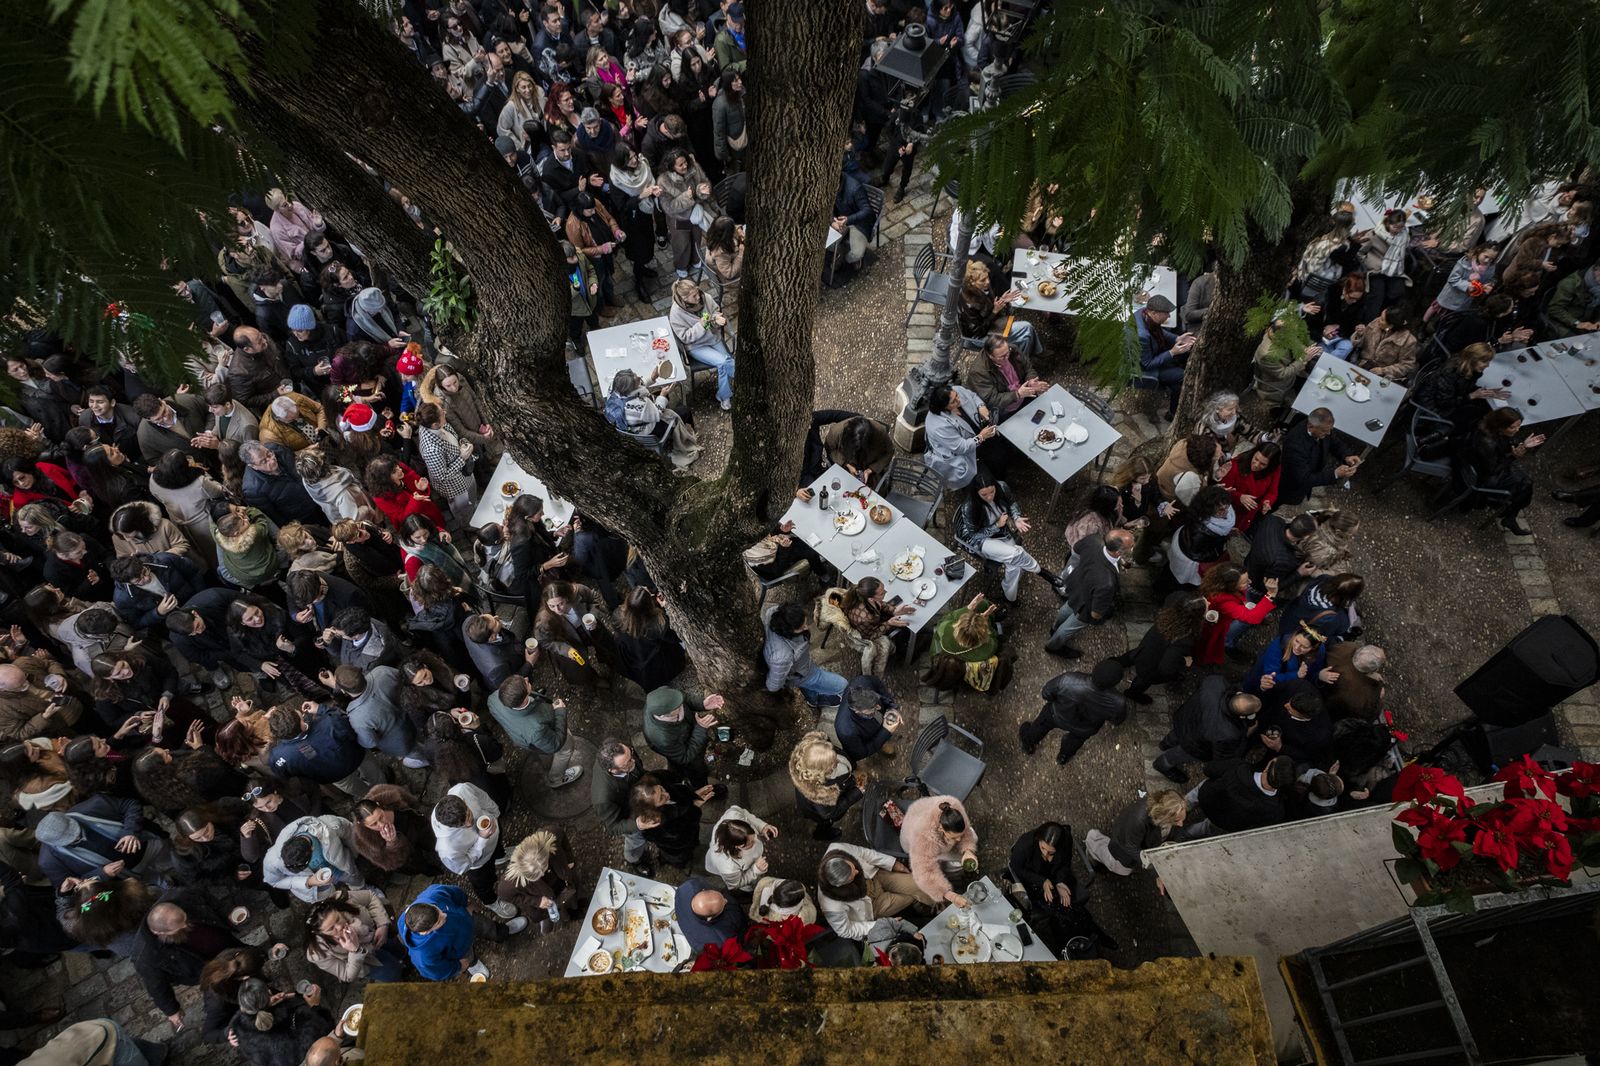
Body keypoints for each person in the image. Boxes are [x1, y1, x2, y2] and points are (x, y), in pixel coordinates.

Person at [1007, 822, 1115, 957]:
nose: (1045, 854)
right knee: (1059, 909)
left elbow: (1065, 865)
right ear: (1039, 839)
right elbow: (1016, 868)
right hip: (1033, 881)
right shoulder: (1025, 845)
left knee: (1067, 904)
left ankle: (1083, 935)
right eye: (1043, 848)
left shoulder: (1066, 840)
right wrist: (1042, 881)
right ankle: (1088, 933)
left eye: (1051, 852)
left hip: (1055, 876)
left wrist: (1060, 882)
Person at [953, 470, 1060, 603]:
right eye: (984, 494)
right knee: (1016, 553)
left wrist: (1016, 517)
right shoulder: (969, 506)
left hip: (1001, 533)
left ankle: (1010, 598)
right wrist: (996, 525)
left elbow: (1012, 502)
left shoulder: (1002, 486)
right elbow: (974, 535)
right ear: (976, 493)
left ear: (995, 486)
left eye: (992, 492)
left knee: (1015, 565)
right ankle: (1040, 571)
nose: (989, 497)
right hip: (981, 540)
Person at [398, 883, 525, 981]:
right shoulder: (422, 954)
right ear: (425, 932)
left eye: (437, 909)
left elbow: (453, 892)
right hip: (459, 949)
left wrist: (465, 904)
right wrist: (458, 966)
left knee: (488, 927)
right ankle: (472, 963)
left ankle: (503, 932)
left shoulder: (432, 894)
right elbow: (434, 970)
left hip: (468, 920)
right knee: (467, 957)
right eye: (439, 921)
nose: (444, 915)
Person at [815, 845, 934, 949]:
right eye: (852, 876)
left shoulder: (838, 848)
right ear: (842, 885)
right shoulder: (830, 905)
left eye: (853, 867)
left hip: (876, 877)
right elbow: (845, 930)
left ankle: (933, 907)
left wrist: (894, 864)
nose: (857, 872)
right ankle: (927, 911)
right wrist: (878, 925)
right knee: (913, 896)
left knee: (919, 886)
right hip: (873, 906)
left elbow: (865, 853)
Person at [1152, 675, 1261, 784]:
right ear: (1242, 716)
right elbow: (1223, 756)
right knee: (1177, 755)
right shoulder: (1229, 732)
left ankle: (1164, 744)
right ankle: (1161, 765)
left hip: (1186, 719)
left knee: (1176, 734)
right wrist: (1246, 733)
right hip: (1194, 745)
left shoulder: (1216, 682)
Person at [1019, 659, 1127, 766]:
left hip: (1056, 714)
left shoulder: (1068, 680)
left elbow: (1046, 693)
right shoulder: (1118, 703)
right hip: (1085, 728)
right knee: (1074, 742)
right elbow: (1117, 721)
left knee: (1041, 725)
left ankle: (1028, 743)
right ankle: (1063, 757)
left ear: (1095, 669)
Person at [1044, 530, 1134, 658]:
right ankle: (1053, 646)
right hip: (1086, 604)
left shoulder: (1094, 540)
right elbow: (1095, 614)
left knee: (1067, 608)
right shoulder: (1107, 583)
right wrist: (1101, 616)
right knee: (1070, 627)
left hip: (1076, 586)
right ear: (1118, 552)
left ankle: (1054, 629)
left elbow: (1076, 551)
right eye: (1131, 546)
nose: (1133, 547)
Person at [487, 675, 584, 790]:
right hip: (543, 735)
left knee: (542, 748)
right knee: (565, 750)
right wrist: (560, 712)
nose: (526, 678)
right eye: (525, 683)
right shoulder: (536, 730)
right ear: (524, 700)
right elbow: (556, 744)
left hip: (525, 738)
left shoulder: (493, 698)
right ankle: (556, 779)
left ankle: (547, 761)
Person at [1457, 406, 1543, 535]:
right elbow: (1493, 469)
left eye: (1518, 426)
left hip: (1482, 468)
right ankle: (1508, 515)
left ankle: (1510, 516)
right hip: (1479, 476)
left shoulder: (1492, 430)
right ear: (1500, 426)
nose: (1517, 430)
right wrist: (1513, 457)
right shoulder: (1487, 442)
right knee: (1524, 485)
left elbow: (1504, 446)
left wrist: (1523, 445)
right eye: (1512, 427)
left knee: (1526, 483)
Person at [303, 888, 407, 983]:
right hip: (368, 962)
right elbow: (346, 975)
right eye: (331, 929)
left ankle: (405, 959)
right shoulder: (317, 953)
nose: (339, 927)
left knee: (399, 949)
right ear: (319, 933)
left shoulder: (343, 899)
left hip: (377, 934)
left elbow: (370, 897)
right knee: (392, 972)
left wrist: (382, 925)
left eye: (338, 919)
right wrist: (355, 951)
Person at [1119, 591, 1205, 704]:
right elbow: (1166, 667)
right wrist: (1184, 661)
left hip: (1152, 639)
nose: (1208, 602)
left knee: (1138, 652)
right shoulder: (1185, 640)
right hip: (1152, 662)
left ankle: (1119, 661)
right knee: (1144, 677)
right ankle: (1133, 693)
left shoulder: (1176, 599)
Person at [1184, 755, 1296, 838]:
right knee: (1205, 828)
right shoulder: (1275, 810)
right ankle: (1186, 834)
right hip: (1222, 822)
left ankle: (1180, 811)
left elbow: (1209, 769)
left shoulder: (1239, 767)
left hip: (1207, 796)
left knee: (1189, 800)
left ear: (1267, 767)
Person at [495, 828, 582, 934]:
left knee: (570, 900)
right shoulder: (510, 883)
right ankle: (549, 919)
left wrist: (569, 859)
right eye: (536, 876)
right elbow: (505, 895)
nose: (542, 874)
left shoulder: (551, 835)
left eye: (544, 867)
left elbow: (562, 837)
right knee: (547, 913)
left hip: (563, 884)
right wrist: (535, 901)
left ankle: (571, 910)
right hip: (542, 900)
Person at [261, 814, 364, 902]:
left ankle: (361, 889)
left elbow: (349, 834)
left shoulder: (330, 825)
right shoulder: (271, 861)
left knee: (353, 879)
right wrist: (309, 882)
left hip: (340, 867)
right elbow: (273, 881)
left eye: (304, 865)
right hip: (317, 888)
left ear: (312, 848)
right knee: (331, 900)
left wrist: (354, 855)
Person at [1084, 790, 1188, 877]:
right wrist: (1152, 864)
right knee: (1120, 867)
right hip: (1122, 846)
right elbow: (1130, 846)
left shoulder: (1163, 811)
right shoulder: (1138, 820)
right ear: (1164, 816)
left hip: (1135, 839)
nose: (1181, 824)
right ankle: (1092, 842)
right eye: (1176, 820)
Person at [762, 603, 848, 706]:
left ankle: (813, 700)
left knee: (808, 686)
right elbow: (773, 686)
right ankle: (815, 700)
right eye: (801, 627)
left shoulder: (773, 613)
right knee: (843, 685)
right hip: (801, 674)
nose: (806, 627)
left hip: (799, 668)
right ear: (788, 630)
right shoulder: (782, 658)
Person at [923, 594, 1012, 694]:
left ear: (957, 626)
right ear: (982, 637)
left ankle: (992, 616)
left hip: (947, 658)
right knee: (984, 605)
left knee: (982, 604)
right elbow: (994, 639)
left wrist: (967, 609)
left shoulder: (946, 629)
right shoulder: (987, 649)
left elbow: (948, 618)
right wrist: (986, 623)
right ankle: (994, 616)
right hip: (967, 665)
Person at [900, 795, 978, 907]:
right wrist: (948, 895)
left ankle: (956, 871)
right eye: (954, 837)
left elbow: (966, 831)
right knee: (955, 862)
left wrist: (968, 850)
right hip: (912, 840)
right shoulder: (923, 838)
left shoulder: (953, 807)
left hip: (919, 814)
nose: (959, 840)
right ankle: (955, 879)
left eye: (959, 836)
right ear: (941, 828)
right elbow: (924, 873)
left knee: (973, 837)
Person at [667, 284, 737, 411]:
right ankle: (741, 378)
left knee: (724, 364)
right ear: (684, 299)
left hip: (713, 337)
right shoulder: (676, 313)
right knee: (724, 361)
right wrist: (701, 326)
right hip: (696, 346)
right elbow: (685, 337)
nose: (698, 297)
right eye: (694, 296)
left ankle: (723, 395)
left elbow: (715, 311)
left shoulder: (705, 297)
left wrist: (716, 318)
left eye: (698, 293)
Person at [1195, 564, 1279, 667]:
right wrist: (1271, 594)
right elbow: (1252, 617)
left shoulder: (1217, 583)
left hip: (1223, 617)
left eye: (1248, 579)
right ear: (1231, 585)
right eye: (1244, 582)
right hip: (1220, 625)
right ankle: (1226, 650)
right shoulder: (1224, 601)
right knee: (1222, 640)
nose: (1249, 582)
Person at [641, 685, 725, 788]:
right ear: (666, 715)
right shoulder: (662, 738)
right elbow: (685, 757)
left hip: (683, 735)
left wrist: (702, 704)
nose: (682, 705)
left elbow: (684, 698)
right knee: (695, 770)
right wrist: (700, 729)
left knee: (677, 760)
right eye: (678, 706)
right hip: (681, 750)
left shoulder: (665, 693)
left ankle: (677, 768)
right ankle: (701, 787)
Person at [922, 382, 1000, 490]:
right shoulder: (939, 426)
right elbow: (961, 447)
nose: (959, 400)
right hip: (963, 453)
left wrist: (981, 406)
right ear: (943, 407)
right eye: (953, 402)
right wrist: (981, 437)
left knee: (1000, 452)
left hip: (978, 434)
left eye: (957, 396)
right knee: (990, 467)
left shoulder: (955, 391)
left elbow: (972, 396)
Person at [788, 731, 863, 841]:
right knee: (825, 822)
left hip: (835, 790)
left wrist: (853, 768)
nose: (838, 760)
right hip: (817, 812)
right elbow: (829, 813)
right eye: (833, 763)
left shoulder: (819, 750)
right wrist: (856, 793)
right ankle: (821, 833)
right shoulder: (819, 794)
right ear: (822, 772)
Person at [1277, 408, 1361, 507]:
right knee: (1272, 504)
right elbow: (1304, 478)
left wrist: (1346, 456)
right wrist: (1335, 474)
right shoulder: (1295, 446)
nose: (1328, 433)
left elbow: (1333, 442)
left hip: (1304, 483)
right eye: (1325, 431)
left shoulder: (1323, 428)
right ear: (1311, 426)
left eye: (1330, 430)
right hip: (1288, 487)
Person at [591, 739, 651, 876]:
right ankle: (634, 859)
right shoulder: (603, 798)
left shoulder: (615, 745)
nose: (633, 761)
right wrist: (637, 825)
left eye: (631, 754)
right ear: (612, 770)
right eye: (627, 763)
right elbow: (613, 827)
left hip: (635, 794)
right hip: (629, 815)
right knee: (636, 840)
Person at [1130, 295, 1195, 418]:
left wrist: (1177, 338)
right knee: (1183, 375)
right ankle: (1174, 412)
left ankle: (1172, 413)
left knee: (1177, 384)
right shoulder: (1142, 335)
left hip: (1153, 354)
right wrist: (1172, 352)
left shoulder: (1144, 313)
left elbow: (1159, 331)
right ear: (1154, 313)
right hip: (1144, 370)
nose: (1169, 316)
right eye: (1166, 313)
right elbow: (1147, 364)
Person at [964, 334, 1048, 422]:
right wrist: (1017, 394)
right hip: (1006, 411)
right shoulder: (979, 372)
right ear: (990, 356)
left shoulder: (1012, 349)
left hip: (1026, 395)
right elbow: (992, 400)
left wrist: (1031, 380)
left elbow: (1027, 367)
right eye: (1002, 357)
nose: (1007, 357)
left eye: (1007, 353)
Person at [704, 805, 779, 894]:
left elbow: (742, 812)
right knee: (752, 886)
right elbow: (735, 884)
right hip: (744, 874)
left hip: (750, 862)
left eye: (754, 835)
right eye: (751, 843)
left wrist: (762, 826)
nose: (757, 840)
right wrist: (755, 870)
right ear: (738, 846)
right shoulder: (728, 866)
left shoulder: (733, 815)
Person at [833, 675, 902, 762]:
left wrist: (891, 708)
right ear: (857, 711)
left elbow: (880, 688)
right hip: (870, 737)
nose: (879, 708)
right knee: (884, 742)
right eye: (873, 708)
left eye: (876, 703)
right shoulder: (846, 731)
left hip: (873, 724)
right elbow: (860, 753)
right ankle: (883, 745)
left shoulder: (863, 680)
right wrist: (885, 732)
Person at [1220, 441, 1281, 536]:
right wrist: (1239, 496)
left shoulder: (1274, 470)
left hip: (1248, 515)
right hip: (1228, 512)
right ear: (1253, 453)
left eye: (1263, 464)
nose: (1256, 465)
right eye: (1256, 459)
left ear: (1270, 465)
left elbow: (1272, 491)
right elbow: (1222, 491)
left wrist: (1267, 502)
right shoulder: (1235, 465)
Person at [675, 878, 749, 955]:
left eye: (722, 897)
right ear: (709, 918)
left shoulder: (688, 886)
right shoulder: (720, 939)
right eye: (724, 904)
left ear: (703, 890)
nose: (726, 900)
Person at [1352, 304, 1419, 382]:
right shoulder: (1375, 324)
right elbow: (1359, 344)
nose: (1378, 319)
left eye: (1382, 319)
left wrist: (1383, 370)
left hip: (1383, 377)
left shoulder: (1407, 341)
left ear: (1390, 326)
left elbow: (1407, 365)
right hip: (1362, 365)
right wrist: (1360, 335)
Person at [1322, 642, 1388, 721]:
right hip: (1334, 714)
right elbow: (1370, 716)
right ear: (1374, 670)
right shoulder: (1364, 695)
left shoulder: (1343, 648)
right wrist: (1379, 699)